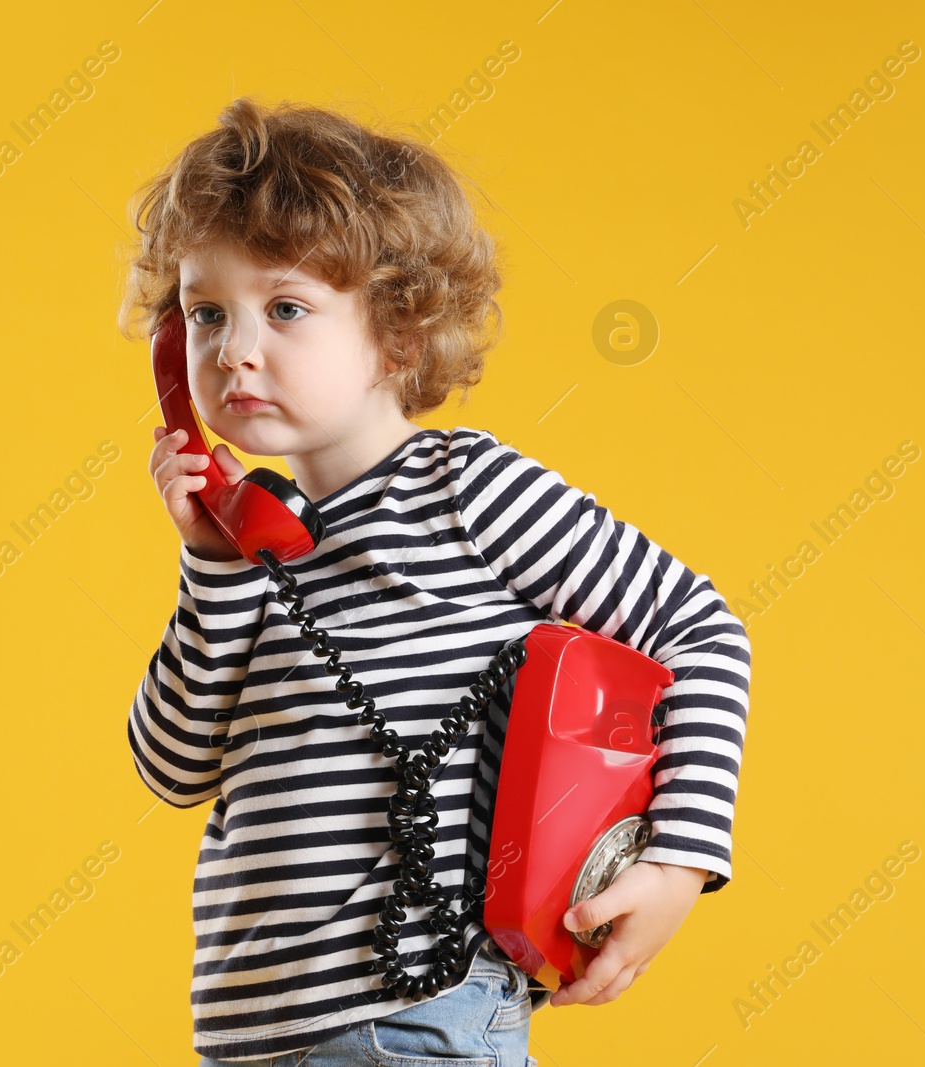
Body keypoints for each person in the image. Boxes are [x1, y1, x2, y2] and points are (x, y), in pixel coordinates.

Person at [120, 96, 752, 1066]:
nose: (235, 348)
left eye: (284, 308)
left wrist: (677, 858)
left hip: (412, 1019)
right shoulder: (250, 548)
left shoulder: (466, 490)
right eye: (205, 313)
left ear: (399, 335)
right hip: (249, 1040)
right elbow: (172, 767)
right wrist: (212, 560)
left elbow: (699, 627)